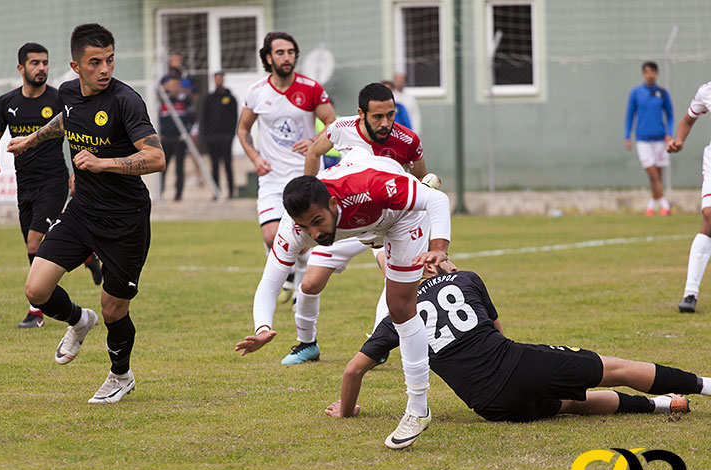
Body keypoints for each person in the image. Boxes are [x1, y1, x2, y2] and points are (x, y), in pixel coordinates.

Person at [326, 266, 710, 445]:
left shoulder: (396, 317)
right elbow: (498, 333)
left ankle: (661, 406)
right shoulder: (465, 278)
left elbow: (352, 371)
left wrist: (346, 410)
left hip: (491, 405)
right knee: (616, 368)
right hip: (516, 366)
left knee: (572, 405)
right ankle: (703, 386)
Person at [235, 148, 451, 448]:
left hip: (397, 218)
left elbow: (438, 201)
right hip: (352, 229)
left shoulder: (372, 185)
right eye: (304, 225)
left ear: (333, 203)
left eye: (316, 221)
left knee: (400, 307)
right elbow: (269, 282)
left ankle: (417, 409)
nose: (312, 232)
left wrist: (438, 247)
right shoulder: (299, 228)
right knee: (310, 282)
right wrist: (261, 328)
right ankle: (307, 341)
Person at [7, 23, 165, 404]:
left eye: (109, 60)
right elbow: (66, 120)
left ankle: (121, 375)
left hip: (125, 219)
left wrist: (103, 163)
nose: (105, 69)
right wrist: (31, 138)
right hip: (81, 212)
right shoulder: (66, 93)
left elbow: (156, 158)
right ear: (76, 66)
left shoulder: (126, 101)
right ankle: (79, 320)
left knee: (114, 309)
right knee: (36, 288)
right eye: (95, 62)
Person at [281, 82, 443, 365]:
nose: (386, 123)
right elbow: (313, 153)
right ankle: (307, 345)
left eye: (390, 115)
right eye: (378, 116)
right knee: (309, 284)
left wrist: (426, 238)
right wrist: (313, 205)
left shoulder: (407, 141)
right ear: (361, 114)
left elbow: (422, 186)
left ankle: (377, 347)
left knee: (394, 280)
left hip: (387, 223)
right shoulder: (341, 127)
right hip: (342, 219)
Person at [0, 42, 102, 329]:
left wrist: (78, 172)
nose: (41, 68)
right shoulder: (7, 102)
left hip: (53, 181)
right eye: (35, 63)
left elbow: (79, 133)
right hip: (25, 186)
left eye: (45, 63)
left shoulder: (59, 98)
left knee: (34, 241)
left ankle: (36, 310)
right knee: (33, 243)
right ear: (21, 68)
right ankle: (88, 254)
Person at [237, 31, 337, 305]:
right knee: (271, 235)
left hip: (304, 174)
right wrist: (255, 158)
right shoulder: (257, 92)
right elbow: (243, 130)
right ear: (268, 57)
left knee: (307, 234)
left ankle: (298, 284)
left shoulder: (311, 87)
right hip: (271, 177)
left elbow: (332, 123)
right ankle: (290, 275)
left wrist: (315, 141)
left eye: (291, 52)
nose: (287, 57)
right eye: (280, 52)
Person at [668, 80, 711, 313]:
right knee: (709, 217)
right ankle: (690, 293)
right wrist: (679, 141)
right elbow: (688, 119)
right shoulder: (706, 91)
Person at [624, 61, 674, 216]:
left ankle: (651, 205)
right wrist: (627, 135)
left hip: (660, 138)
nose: (649, 74)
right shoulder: (636, 93)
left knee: (658, 175)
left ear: (657, 73)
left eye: (652, 71)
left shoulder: (662, 93)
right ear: (643, 74)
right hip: (643, 139)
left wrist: (669, 133)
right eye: (646, 72)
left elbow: (670, 114)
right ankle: (665, 204)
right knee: (651, 172)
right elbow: (629, 115)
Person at [201, 71, 238, 199]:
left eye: (220, 79)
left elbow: (234, 118)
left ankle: (231, 192)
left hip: (226, 138)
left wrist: (231, 135)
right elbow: (204, 119)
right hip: (212, 138)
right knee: (214, 166)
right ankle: (216, 192)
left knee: (228, 165)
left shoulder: (230, 98)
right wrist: (206, 137)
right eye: (216, 79)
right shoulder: (209, 98)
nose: (218, 81)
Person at [159, 75, 195, 200]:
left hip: (179, 139)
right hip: (166, 139)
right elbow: (159, 117)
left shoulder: (185, 100)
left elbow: (192, 118)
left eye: (175, 85)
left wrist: (185, 133)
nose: (173, 88)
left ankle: (178, 194)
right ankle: (160, 192)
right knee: (163, 166)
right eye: (171, 85)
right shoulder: (164, 100)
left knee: (179, 168)